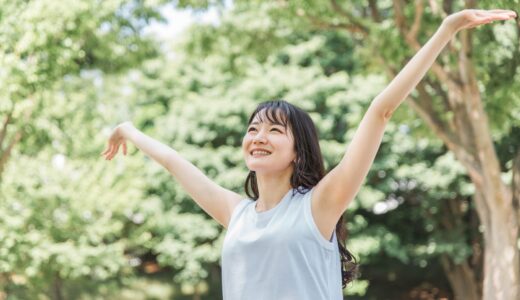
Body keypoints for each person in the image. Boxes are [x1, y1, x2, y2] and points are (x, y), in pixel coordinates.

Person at [101, 9, 517, 300]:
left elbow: (381, 110)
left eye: (274, 130)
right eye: (253, 128)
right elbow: (176, 162)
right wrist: (130, 130)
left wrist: (446, 29)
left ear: (299, 152)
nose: (258, 136)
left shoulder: (319, 206)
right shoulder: (237, 214)